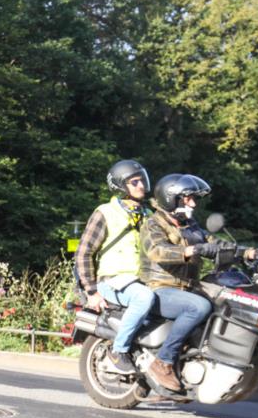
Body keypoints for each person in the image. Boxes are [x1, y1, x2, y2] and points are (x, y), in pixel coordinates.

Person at [139, 173, 220, 394]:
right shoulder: (153, 223)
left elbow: (209, 242)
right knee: (199, 307)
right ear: (171, 198)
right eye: (188, 198)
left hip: (187, 288)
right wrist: (192, 250)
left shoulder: (190, 225)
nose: (193, 203)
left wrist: (250, 253)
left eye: (194, 198)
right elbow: (158, 251)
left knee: (226, 301)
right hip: (160, 288)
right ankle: (163, 362)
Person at [75, 159, 156, 374]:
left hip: (141, 281)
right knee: (144, 298)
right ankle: (117, 352)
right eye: (134, 182)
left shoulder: (148, 215)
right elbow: (84, 253)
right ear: (121, 185)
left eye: (142, 180)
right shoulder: (105, 212)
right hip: (112, 281)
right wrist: (91, 291)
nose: (141, 186)